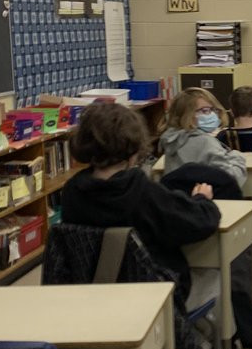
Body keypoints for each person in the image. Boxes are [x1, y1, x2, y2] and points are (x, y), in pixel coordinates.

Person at [61, 101, 220, 312]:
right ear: (134, 146)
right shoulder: (141, 191)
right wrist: (202, 200)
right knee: (216, 275)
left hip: (89, 297)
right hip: (153, 297)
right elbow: (198, 222)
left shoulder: (72, 192)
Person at [159, 87, 247, 188]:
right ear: (187, 114)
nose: (212, 114)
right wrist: (237, 157)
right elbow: (232, 181)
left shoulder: (172, 140)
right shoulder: (205, 142)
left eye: (214, 110)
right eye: (205, 110)